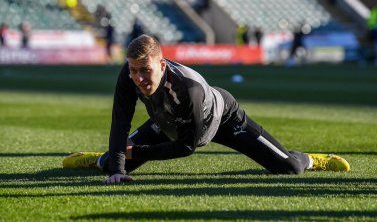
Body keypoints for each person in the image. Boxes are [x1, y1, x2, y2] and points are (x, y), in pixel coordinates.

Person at [63, 34, 350, 184]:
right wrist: (115, 165)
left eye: (145, 71)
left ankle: (312, 159)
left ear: (162, 65)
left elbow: (188, 146)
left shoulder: (189, 89)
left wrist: (136, 152)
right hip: (167, 122)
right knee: (114, 164)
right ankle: (95, 160)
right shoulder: (128, 75)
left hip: (221, 118)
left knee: (288, 168)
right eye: (134, 70)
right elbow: (120, 121)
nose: (138, 78)